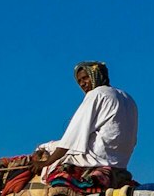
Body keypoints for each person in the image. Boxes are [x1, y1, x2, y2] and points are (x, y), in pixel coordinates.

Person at [33, 60, 138, 188]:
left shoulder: (97, 94)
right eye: (79, 81)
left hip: (97, 157)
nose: (82, 84)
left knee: (52, 164)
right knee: (48, 146)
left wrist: (47, 162)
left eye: (85, 78)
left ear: (97, 75)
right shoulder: (128, 98)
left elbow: (72, 136)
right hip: (120, 161)